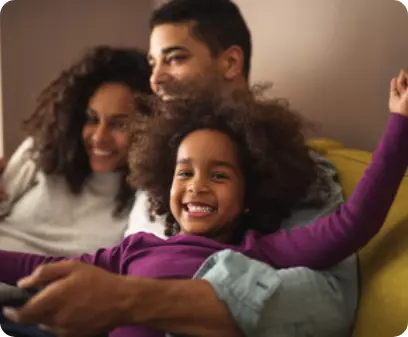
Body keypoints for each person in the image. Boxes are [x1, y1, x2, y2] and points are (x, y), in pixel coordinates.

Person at [1, 74, 408, 337]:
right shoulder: (134, 248)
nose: (197, 187)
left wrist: (400, 122)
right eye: (184, 173)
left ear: (249, 198)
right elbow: (45, 268)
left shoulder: (259, 252)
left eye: (218, 175)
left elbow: (352, 225)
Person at [0, 45, 151, 256]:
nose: (99, 137)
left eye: (119, 124)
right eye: (92, 120)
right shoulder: (42, 152)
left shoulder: (148, 197)